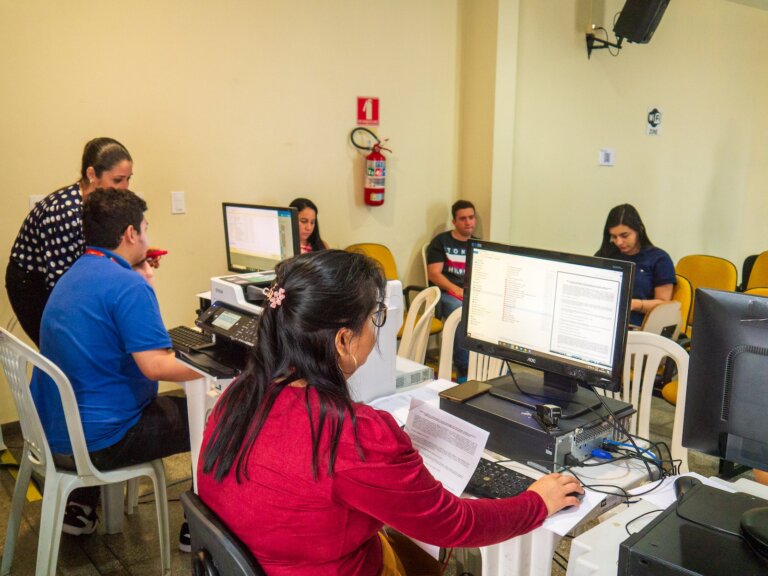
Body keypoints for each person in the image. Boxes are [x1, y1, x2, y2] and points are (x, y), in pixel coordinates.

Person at [198, 250, 582, 575]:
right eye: (374, 318)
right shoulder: (352, 434)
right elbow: (454, 525)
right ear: (343, 340)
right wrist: (537, 501)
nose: (376, 330)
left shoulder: (239, 395)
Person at [30, 188, 199, 538]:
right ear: (130, 234)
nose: (147, 238)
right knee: (212, 417)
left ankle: (82, 506)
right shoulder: (127, 286)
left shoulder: (75, 273)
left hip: (50, 436)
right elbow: (156, 366)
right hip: (103, 443)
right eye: (145, 229)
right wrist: (221, 365)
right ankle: (198, 530)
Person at [5, 137, 133, 346]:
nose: (125, 187)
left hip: (62, 276)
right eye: (118, 180)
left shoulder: (96, 204)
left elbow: (99, 252)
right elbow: (63, 286)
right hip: (32, 284)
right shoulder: (65, 211)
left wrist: (137, 258)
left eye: (129, 179)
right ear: (91, 174)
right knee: (62, 350)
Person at [595, 204, 676, 327]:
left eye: (624, 235)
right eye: (614, 236)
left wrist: (636, 304)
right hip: (603, 320)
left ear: (639, 230)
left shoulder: (659, 259)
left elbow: (664, 305)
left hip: (638, 326)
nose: (619, 242)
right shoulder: (605, 254)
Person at [426, 200, 477, 379]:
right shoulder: (441, 242)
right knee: (461, 312)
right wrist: (456, 289)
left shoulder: (477, 244)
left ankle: (490, 365)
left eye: (471, 217)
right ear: (454, 221)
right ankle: (463, 367)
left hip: (472, 294)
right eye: (463, 218)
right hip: (446, 294)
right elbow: (434, 274)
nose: (468, 222)